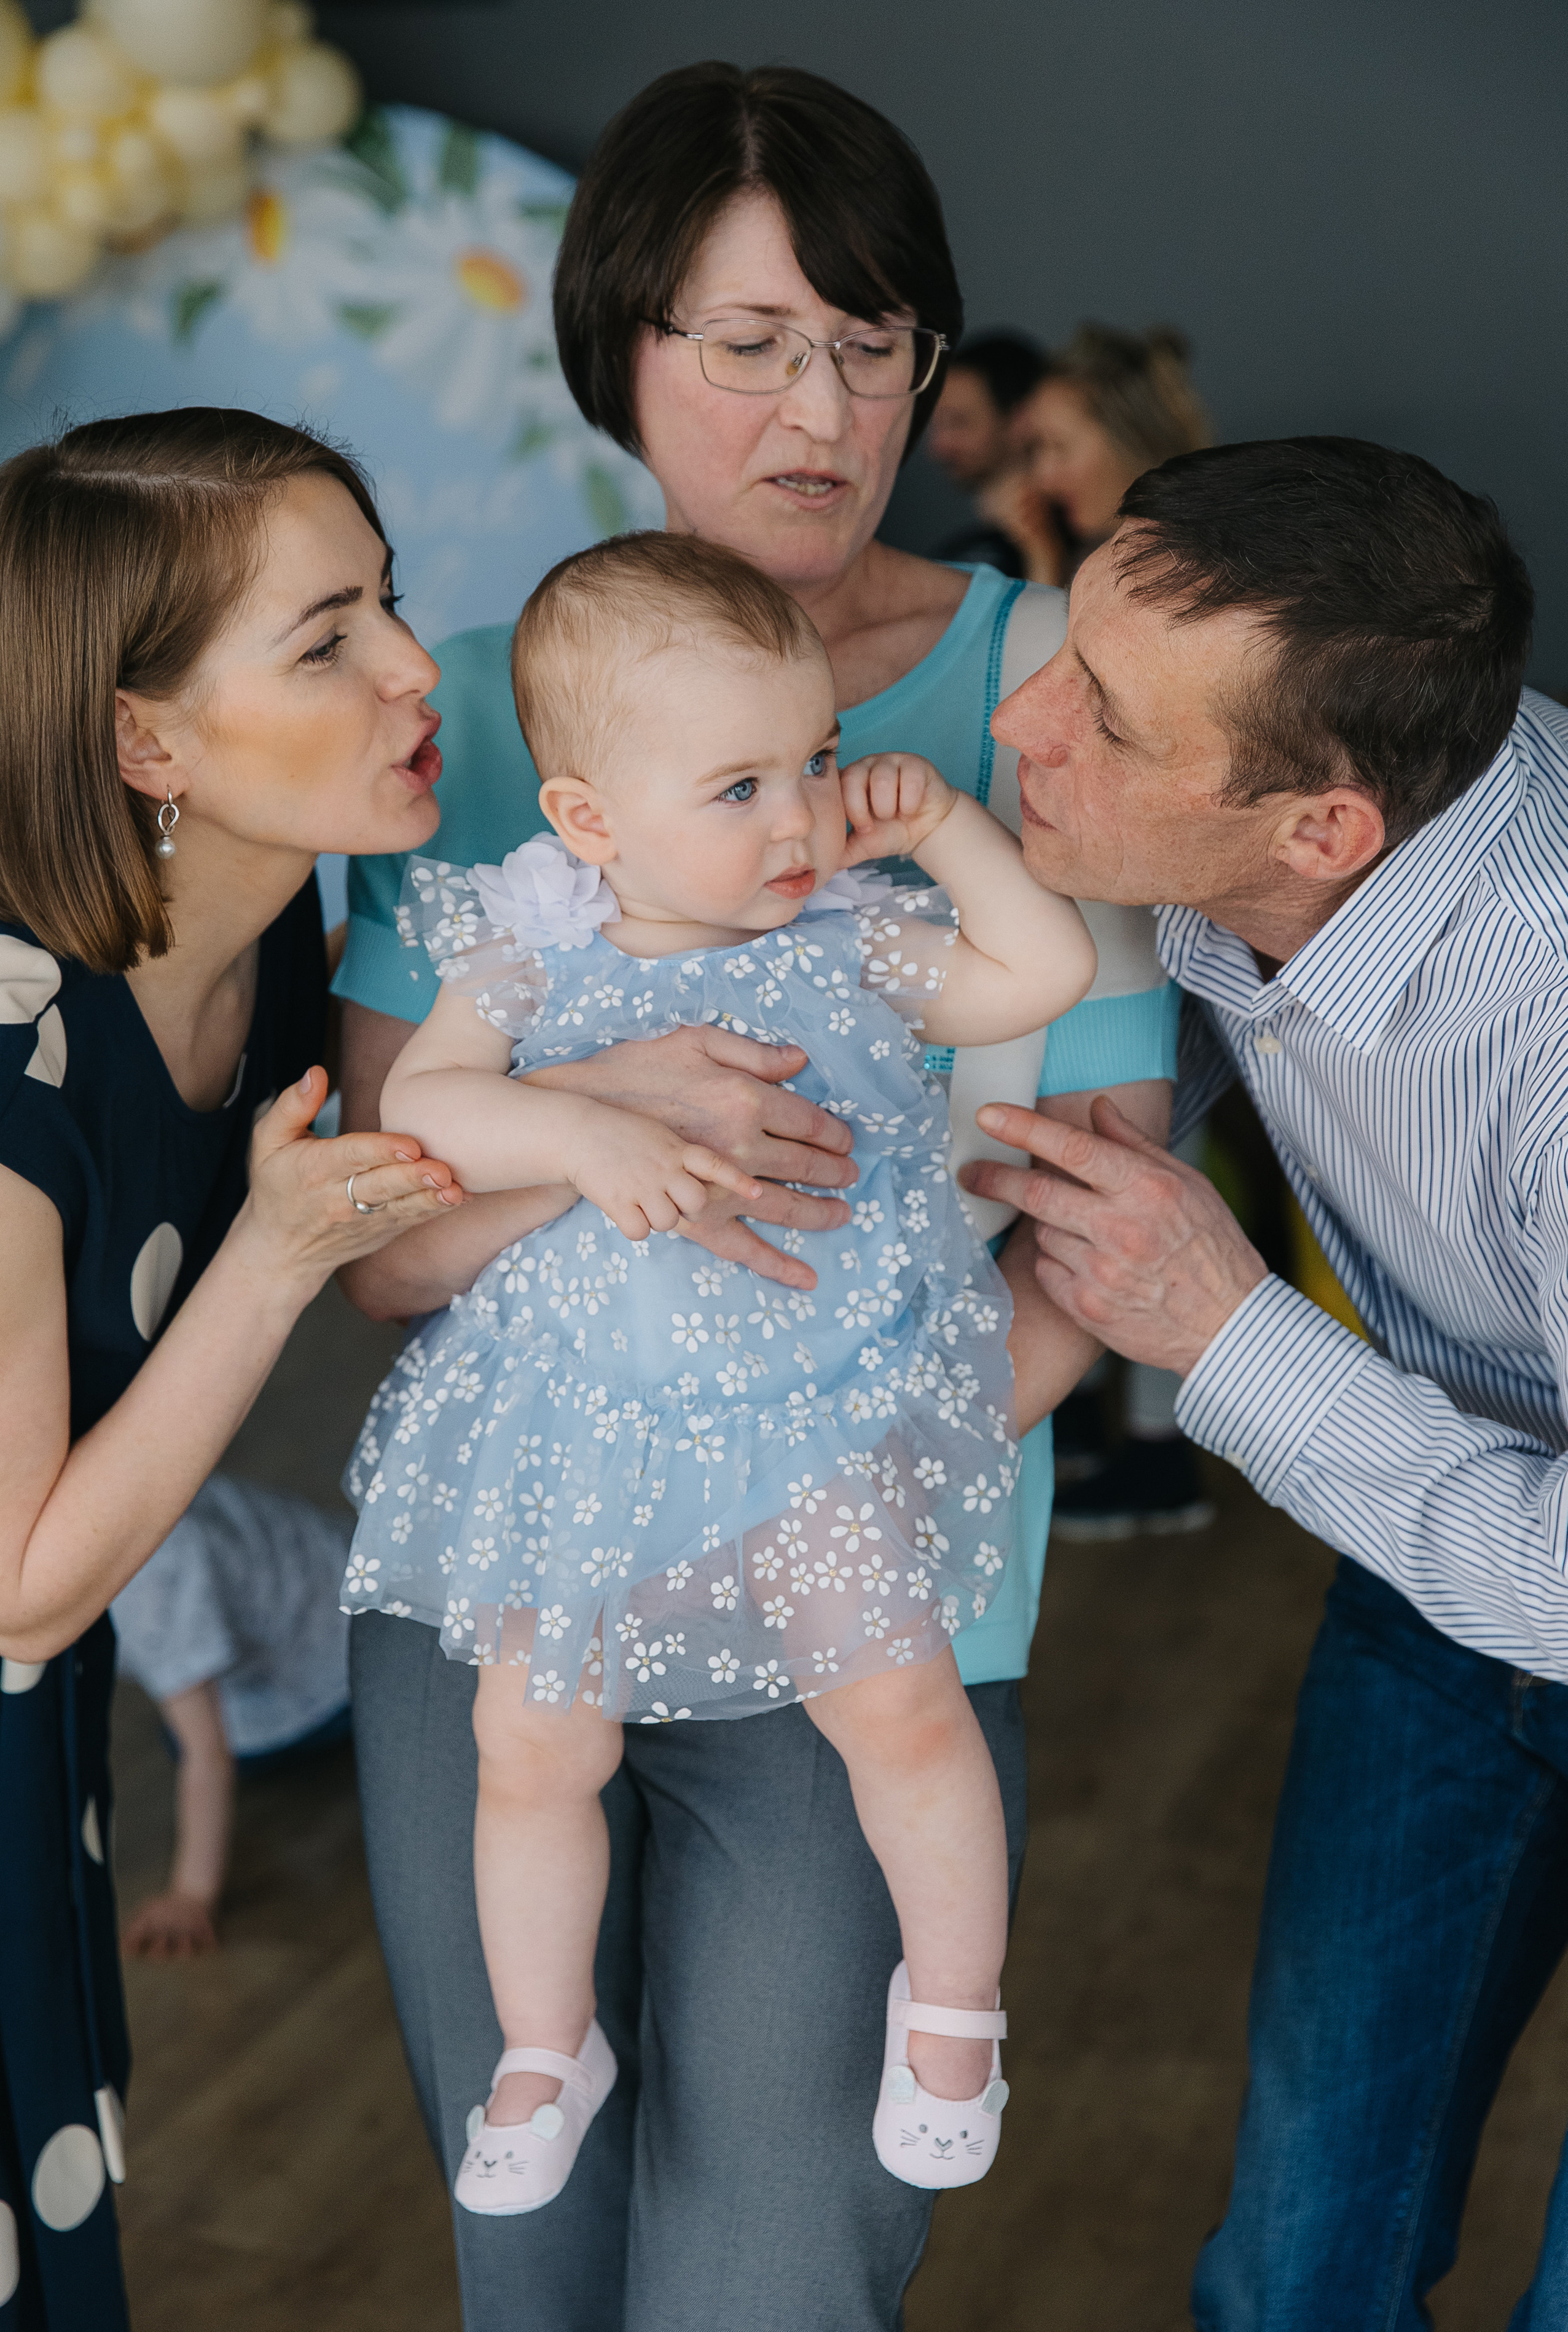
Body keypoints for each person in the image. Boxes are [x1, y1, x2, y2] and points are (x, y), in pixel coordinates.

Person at [332, 59, 1177, 2332]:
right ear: (616, 350)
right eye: (745, 341)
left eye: (870, 338)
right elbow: (388, 1235)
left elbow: (1101, 1231)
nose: (819, 404)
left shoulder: (1018, 710)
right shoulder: (496, 714)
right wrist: (600, 1107)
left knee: (768, 2276)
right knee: (534, 2246)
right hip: (522, 1564)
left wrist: (841, 1468)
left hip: (868, 1577)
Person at [347, 530, 1096, 2212]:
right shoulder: (530, 946)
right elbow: (421, 1109)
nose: (796, 819)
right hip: (587, 1428)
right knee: (530, 1744)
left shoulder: (849, 931)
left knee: (900, 1704)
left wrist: (949, 830)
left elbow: (1035, 975)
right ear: (588, 821)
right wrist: (569, 1122)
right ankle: (546, 2047)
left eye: (816, 762)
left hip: (809, 1420)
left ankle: (954, 2002)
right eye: (740, 785)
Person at [960, 434, 1568, 2325]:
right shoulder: (1239, 818)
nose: (1026, 723)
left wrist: (1225, 1331)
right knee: (1295, 2262)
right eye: (1060, 647)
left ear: (1321, 832)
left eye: (1108, 722)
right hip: (1441, 1532)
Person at [0, 406, 462, 2328]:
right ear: (144, 742)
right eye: (326, 635)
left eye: (391, 605)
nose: (416, 668)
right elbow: (14, 1580)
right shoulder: (11, 1056)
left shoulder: (271, 937)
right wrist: (267, 1255)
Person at [992, 319, 1217, 1539]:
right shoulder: (1087, 560)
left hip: (1178, 926)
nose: (1037, 468)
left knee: (1146, 1174)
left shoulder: (1170, 580)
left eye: (1053, 444)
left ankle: (1153, 1456)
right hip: (1138, 922)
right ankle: (1123, 1438)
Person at [111, 1473, 353, 1960]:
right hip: (336, 1559)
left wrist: (191, 1894)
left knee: (193, 1742)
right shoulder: (131, 1478)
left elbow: (209, 1754)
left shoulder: (145, 1577)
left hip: (339, 1665)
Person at [1006, 321, 1212, 584]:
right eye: (1037, 449)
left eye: (1060, 447)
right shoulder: (1084, 556)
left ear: (1131, 438)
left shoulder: (1195, 571)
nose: (1043, 478)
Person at [925, 330, 1050, 579]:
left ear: (1020, 420)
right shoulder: (965, 552)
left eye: (959, 423)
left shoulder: (1083, 539)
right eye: (937, 425)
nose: (938, 447)